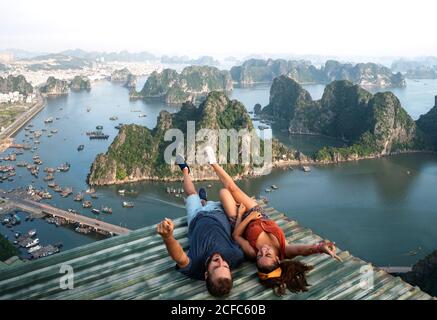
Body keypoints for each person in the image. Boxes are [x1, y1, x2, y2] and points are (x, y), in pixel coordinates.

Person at [202, 146, 342, 295]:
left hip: (240, 221)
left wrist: (245, 215)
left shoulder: (251, 252)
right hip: (260, 214)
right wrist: (320, 248)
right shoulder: (285, 250)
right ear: (277, 259)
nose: (262, 251)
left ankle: (208, 203)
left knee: (223, 192)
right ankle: (213, 162)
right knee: (233, 189)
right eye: (267, 254)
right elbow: (303, 250)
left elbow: (235, 236)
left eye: (259, 256)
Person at [156, 154, 245, 297]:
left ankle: (185, 170)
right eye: (226, 266)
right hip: (217, 211)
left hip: (196, 218)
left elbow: (179, 257)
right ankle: (204, 200)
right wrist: (240, 215)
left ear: (205, 275)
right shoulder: (236, 256)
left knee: (191, 194)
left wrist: (168, 237)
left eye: (216, 265)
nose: (220, 260)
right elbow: (238, 235)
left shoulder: (195, 268)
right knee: (218, 197)